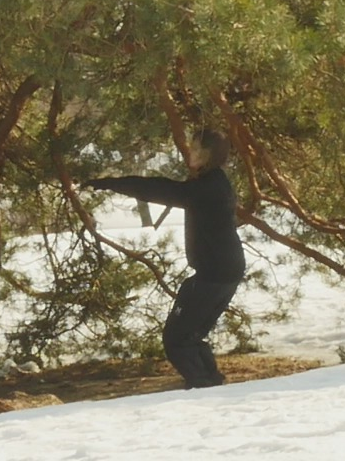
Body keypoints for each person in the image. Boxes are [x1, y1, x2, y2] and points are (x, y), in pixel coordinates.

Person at [86, 129, 245, 388]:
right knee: (190, 336)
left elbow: (160, 189)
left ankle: (203, 386)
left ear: (208, 154)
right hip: (223, 271)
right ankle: (211, 383)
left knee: (177, 340)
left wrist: (113, 183)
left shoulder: (208, 187)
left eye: (196, 148)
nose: (190, 152)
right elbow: (166, 189)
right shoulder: (213, 182)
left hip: (215, 274)